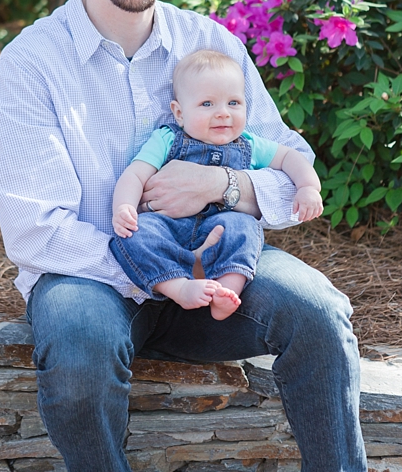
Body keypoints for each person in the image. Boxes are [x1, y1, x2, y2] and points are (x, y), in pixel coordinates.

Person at [0, 0, 368, 472]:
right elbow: (35, 229)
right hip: (89, 279)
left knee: (317, 311)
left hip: (218, 267)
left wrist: (223, 184)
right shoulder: (32, 63)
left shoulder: (210, 42)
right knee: (81, 345)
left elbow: (284, 155)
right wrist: (159, 272)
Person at [111, 49, 324, 321]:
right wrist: (124, 207)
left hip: (220, 225)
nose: (223, 114)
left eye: (233, 103)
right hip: (169, 227)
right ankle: (178, 287)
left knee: (246, 226)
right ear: (179, 112)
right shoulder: (167, 139)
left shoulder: (249, 144)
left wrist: (307, 187)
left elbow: (290, 157)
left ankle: (227, 291)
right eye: (207, 104)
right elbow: (135, 175)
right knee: (135, 234)